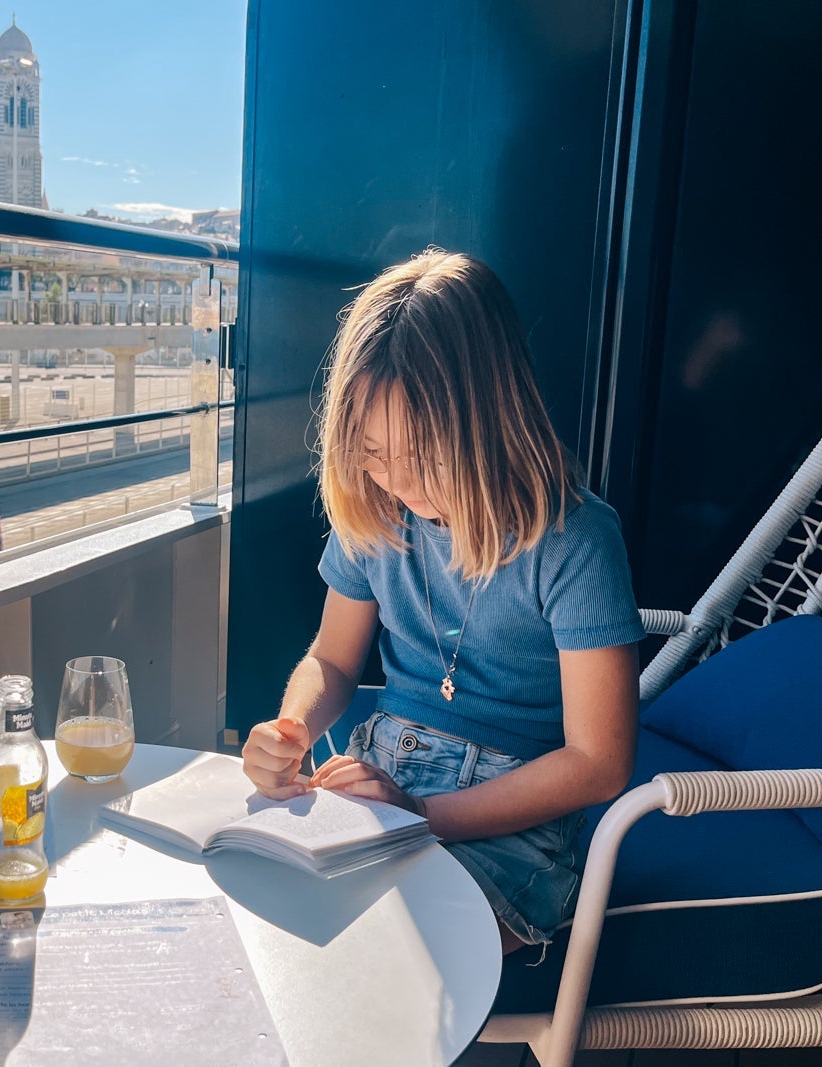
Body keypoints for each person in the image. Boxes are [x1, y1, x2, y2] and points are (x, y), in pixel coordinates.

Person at [241, 250, 643, 956]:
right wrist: (292, 726)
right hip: (382, 770)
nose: (396, 481)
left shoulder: (575, 541)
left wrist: (424, 814)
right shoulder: (374, 511)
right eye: (371, 451)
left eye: (423, 454)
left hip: (510, 813)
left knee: (395, 951)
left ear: (493, 417)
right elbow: (331, 661)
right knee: (259, 904)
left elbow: (598, 761)